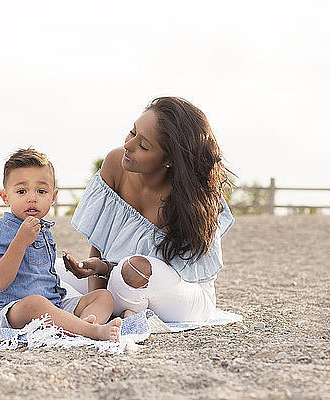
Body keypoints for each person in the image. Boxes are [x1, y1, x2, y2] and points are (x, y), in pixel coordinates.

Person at [60, 97, 235, 323]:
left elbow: (172, 274)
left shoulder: (193, 200)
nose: (128, 145)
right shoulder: (115, 163)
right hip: (117, 279)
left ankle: (126, 312)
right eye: (132, 133)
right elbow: (100, 240)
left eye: (143, 145)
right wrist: (97, 291)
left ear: (169, 160)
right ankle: (123, 312)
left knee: (133, 270)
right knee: (46, 270)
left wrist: (108, 282)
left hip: (181, 294)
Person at [0, 148, 122, 341]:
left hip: (53, 305)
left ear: (52, 197)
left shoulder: (43, 229)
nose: (32, 197)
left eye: (41, 191)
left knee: (103, 297)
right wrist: (20, 243)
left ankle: (84, 325)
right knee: (35, 304)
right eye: (21, 191)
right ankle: (90, 331)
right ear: (5, 197)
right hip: (11, 312)